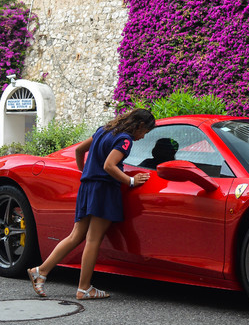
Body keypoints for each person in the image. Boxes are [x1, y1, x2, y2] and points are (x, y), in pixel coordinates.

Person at [27, 108, 156, 300]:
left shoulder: (103, 130)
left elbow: (79, 150)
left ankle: (41, 271)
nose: (143, 136)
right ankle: (84, 288)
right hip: (104, 190)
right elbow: (109, 166)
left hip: (88, 187)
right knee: (93, 239)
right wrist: (130, 181)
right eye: (145, 132)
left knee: (75, 235)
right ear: (139, 125)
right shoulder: (125, 139)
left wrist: (86, 173)